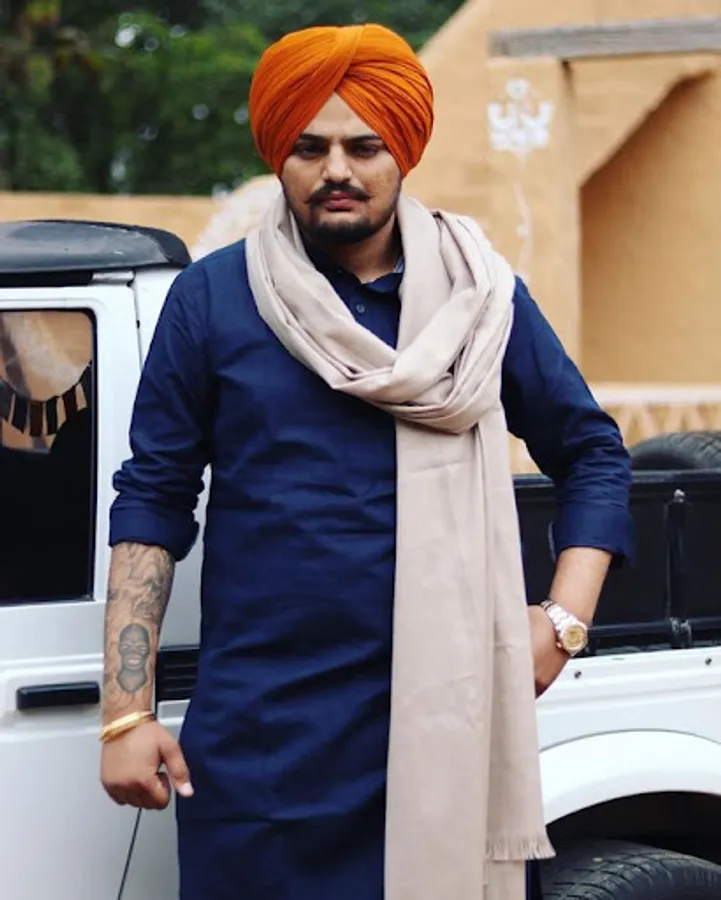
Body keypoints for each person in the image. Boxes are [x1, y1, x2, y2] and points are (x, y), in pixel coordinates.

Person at [99, 22, 634, 900]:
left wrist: (562, 623)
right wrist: (126, 711)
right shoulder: (214, 299)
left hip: (446, 722)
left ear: (403, 152)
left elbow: (590, 452)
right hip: (264, 743)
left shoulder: (479, 300)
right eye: (308, 148)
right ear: (279, 155)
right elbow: (153, 499)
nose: (336, 170)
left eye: (363, 146)